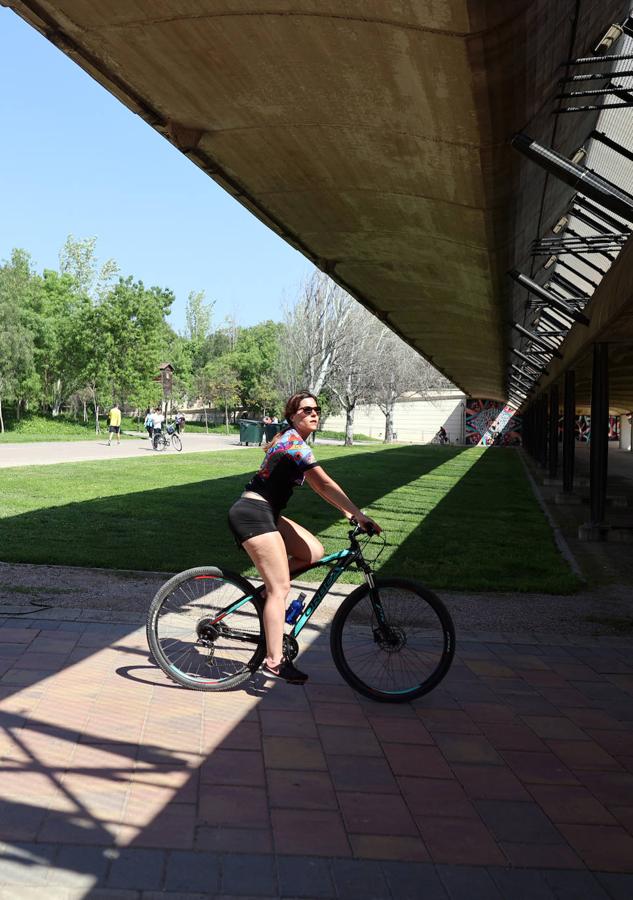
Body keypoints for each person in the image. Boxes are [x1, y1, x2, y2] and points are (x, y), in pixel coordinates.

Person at [227, 391, 381, 685]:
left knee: (313, 551)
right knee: (280, 588)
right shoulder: (293, 443)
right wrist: (358, 514)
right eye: (306, 409)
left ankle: (267, 594)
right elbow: (323, 482)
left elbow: (319, 487)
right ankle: (274, 660)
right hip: (252, 512)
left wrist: (348, 513)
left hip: (266, 512)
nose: (314, 413)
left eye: (317, 409)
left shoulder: (294, 442)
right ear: (292, 415)